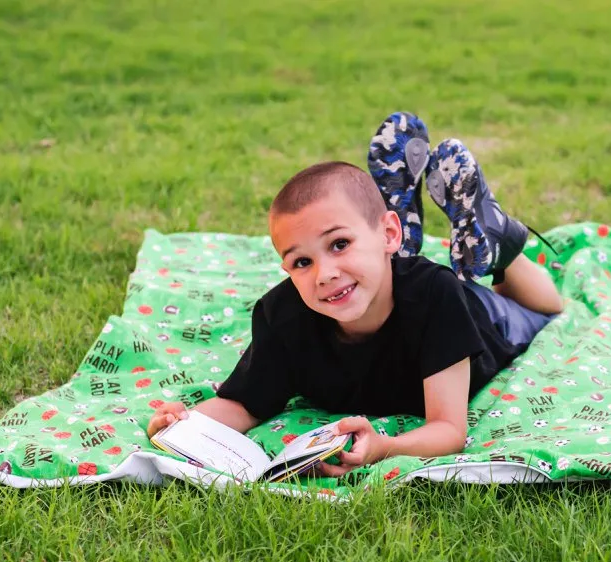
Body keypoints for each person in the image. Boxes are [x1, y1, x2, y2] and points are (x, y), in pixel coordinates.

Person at [147, 112, 563, 476]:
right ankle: (387, 251)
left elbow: (449, 431)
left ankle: (498, 242)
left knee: (541, 306)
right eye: (302, 262)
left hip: (480, 315)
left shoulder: (437, 296)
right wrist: (185, 422)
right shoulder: (282, 315)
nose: (324, 275)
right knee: (377, 272)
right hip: (386, 269)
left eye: (339, 244)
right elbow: (244, 404)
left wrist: (388, 447)